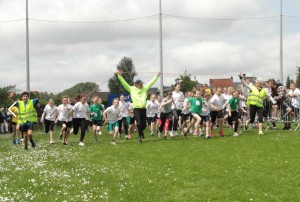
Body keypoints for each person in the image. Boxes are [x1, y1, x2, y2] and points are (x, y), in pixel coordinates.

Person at [116, 70, 161, 143]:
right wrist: (119, 76)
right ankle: (140, 137)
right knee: (139, 123)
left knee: (143, 125)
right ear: (136, 85)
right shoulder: (131, 89)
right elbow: (124, 83)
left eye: (142, 83)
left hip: (143, 109)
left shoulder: (144, 88)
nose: (142, 85)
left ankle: (141, 132)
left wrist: (157, 76)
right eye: (140, 84)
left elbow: (151, 82)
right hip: (136, 109)